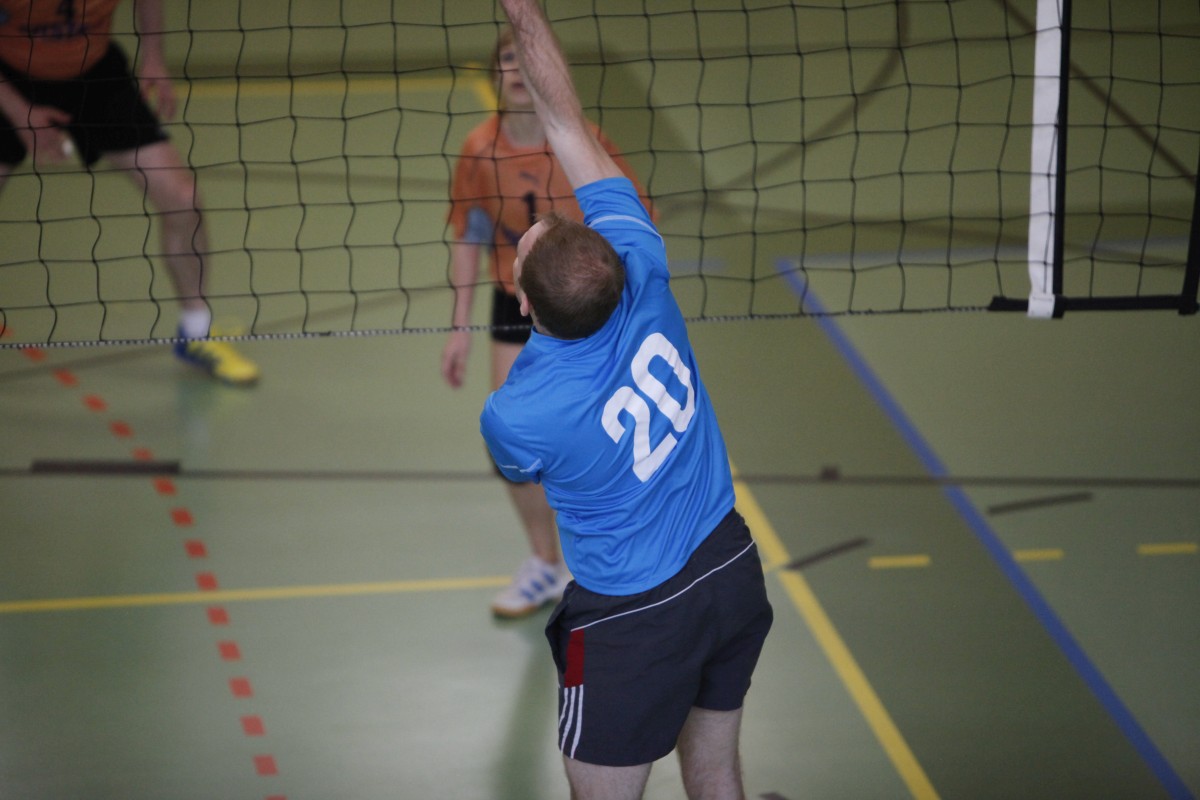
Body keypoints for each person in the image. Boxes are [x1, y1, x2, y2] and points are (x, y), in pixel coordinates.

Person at [481, 1, 774, 797]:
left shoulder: (517, 412)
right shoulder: (642, 262)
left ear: (524, 303)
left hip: (630, 617)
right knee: (714, 775)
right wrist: (526, 12)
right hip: (728, 566)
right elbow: (567, 122)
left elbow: (521, 466)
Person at [442, 24, 653, 618]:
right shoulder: (479, 149)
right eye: (505, 60)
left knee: (605, 427)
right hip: (516, 302)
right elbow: (470, 236)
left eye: (523, 58)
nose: (515, 69)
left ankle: (614, 551)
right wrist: (458, 328)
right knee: (510, 444)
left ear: (544, 73)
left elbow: (634, 219)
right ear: (494, 74)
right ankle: (545, 562)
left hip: (588, 302)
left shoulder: (584, 143)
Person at [0, 0, 259, 385]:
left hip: (97, 76)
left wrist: (153, 57)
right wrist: (20, 113)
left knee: (183, 199)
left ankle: (197, 334)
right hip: (8, 80)